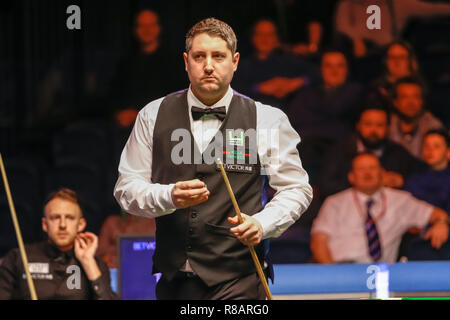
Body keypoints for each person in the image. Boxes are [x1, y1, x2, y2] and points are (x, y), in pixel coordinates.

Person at [113, 18, 312, 300]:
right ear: (186, 61)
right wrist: (168, 195)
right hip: (174, 281)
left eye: (218, 56)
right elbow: (126, 189)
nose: (208, 65)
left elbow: (296, 188)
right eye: (199, 56)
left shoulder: (266, 119)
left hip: (240, 278)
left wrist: (262, 223)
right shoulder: (152, 115)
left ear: (235, 61)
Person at [311, 152, 449, 264]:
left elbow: (438, 214)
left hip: (381, 275)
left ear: (383, 173)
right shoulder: (334, 202)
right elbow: (319, 242)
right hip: (340, 269)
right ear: (351, 177)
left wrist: (441, 223)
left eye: (372, 168)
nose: (367, 173)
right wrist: (333, 276)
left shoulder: (401, 200)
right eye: (361, 169)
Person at [0, 188, 116, 300]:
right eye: (55, 217)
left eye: (69, 218)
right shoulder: (19, 258)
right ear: (45, 224)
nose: (62, 225)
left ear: (80, 224)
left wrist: (88, 262)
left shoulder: (95, 265)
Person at [319, 105, 425, 199]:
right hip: (346, 211)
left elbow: (424, 177)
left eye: (379, 125)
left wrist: (402, 182)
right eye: (368, 124)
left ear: (388, 128)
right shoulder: (340, 151)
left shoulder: (398, 153)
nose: (373, 130)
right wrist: (364, 184)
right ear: (358, 126)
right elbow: (326, 187)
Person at [108, 9, 183, 128]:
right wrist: (119, 114)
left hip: (161, 126)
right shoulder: (125, 64)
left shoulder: (173, 62)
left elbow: (177, 98)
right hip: (128, 128)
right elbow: (114, 96)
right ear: (135, 30)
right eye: (141, 25)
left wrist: (139, 114)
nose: (146, 30)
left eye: (151, 25)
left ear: (159, 28)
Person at [232, 19, 318, 110]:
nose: (265, 38)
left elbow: (315, 73)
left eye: (270, 35)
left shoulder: (288, 61)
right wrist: (259, 88)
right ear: (253, 38)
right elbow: (233, 89)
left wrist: (295, 83)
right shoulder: (242, 65)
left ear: (277, 38)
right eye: (260, 34)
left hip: (288, 115)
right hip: (253, 115)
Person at [403, 129, 450, 260]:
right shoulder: (413, 179)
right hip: (417, 239)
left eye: (436, 146)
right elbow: (406, 209)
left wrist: (443, 223)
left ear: (448, 151)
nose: (430, 150)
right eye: (427, 146)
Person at [389, 76, 444, 159]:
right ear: (395, 102)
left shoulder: (433, 126)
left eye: (416, 97)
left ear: (422, 101)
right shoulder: (386, 125)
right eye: (404, 97)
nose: (410, 103)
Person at [368, 41, 422, 110]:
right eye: (392, 57)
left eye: (402, 57)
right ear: (385, 61)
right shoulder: (376, 90)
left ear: (410, 61)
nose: (397, 62)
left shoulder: (421, 87)